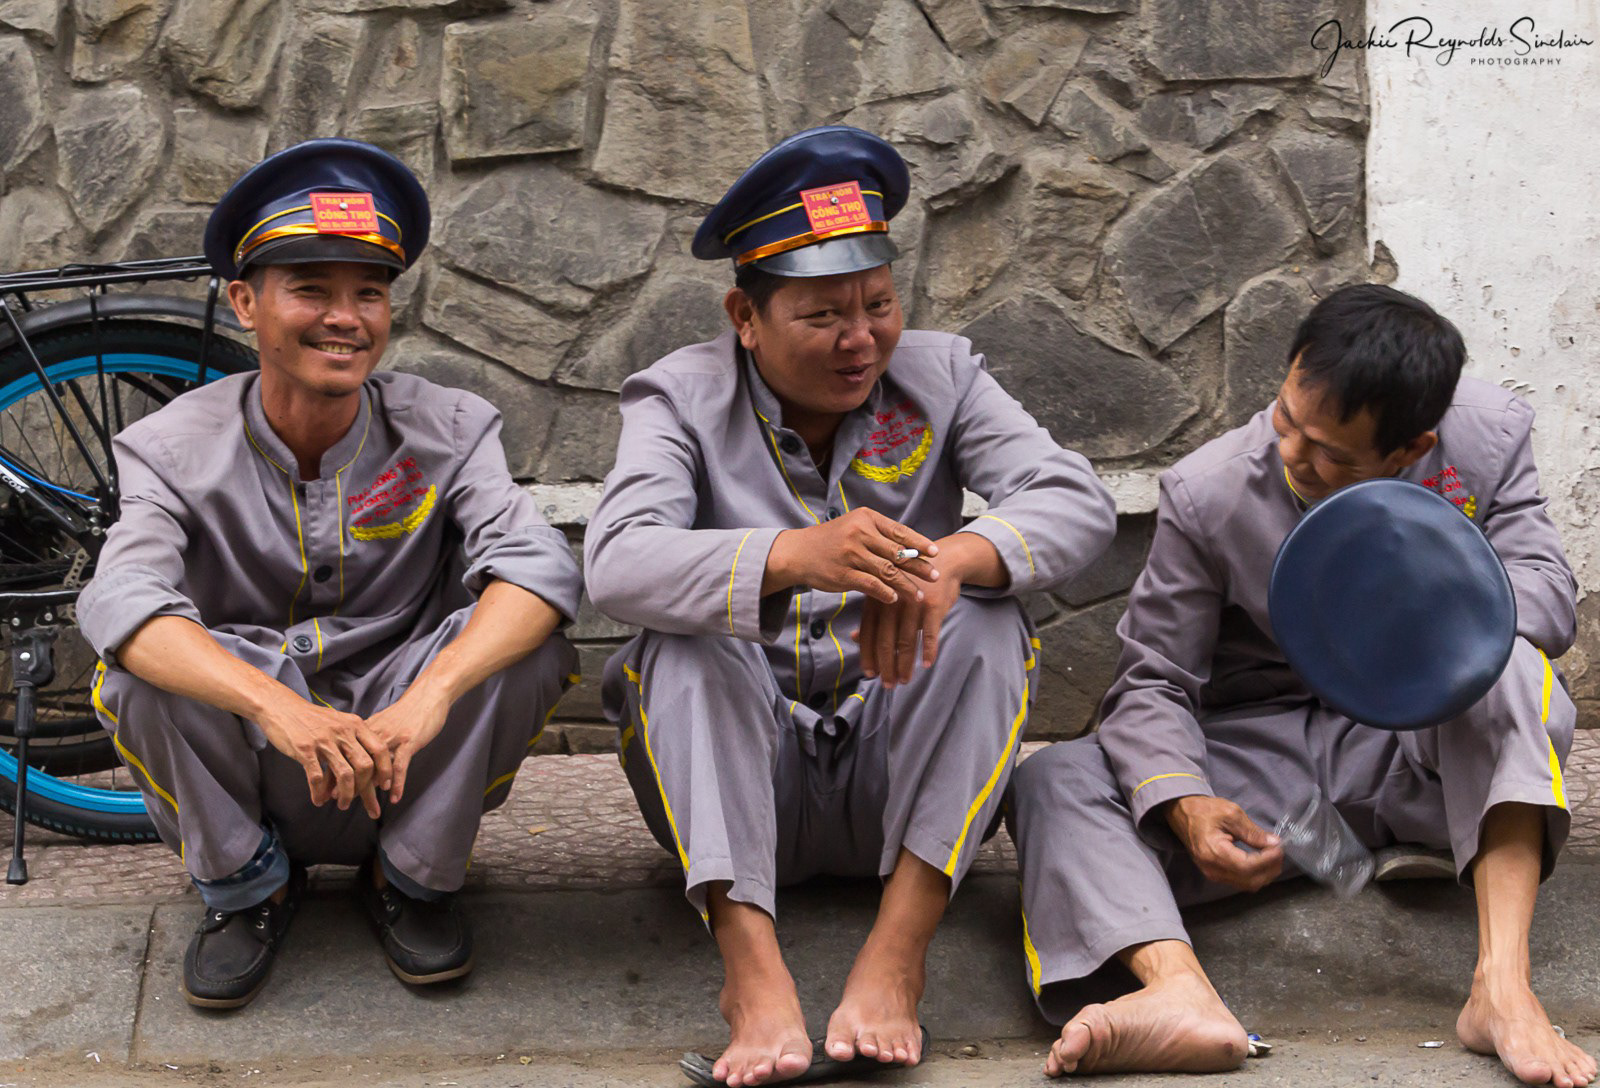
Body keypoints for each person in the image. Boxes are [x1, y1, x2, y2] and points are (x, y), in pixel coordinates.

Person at [583, 125, 1117, 1087]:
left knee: (990, 616)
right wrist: (791, 556)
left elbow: (1074, 501)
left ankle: (897, 956)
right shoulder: (678, 398)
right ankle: (752, 976)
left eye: (878, 304)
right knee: (685, 643)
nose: (862, 338)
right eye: (824, 314)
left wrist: (952, 560)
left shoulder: (945, 376)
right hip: (744, 792)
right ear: (745, 317)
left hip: (893, 780)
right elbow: (617, 561)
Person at [1007, 284, 1596, 1088]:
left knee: (1515, 667)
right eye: (1286, 418)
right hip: (1277, 785)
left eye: (1331, 454)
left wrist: (1430, 602)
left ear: (1410, 449)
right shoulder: (1209, 491)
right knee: (1055, 778)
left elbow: (1548, 593)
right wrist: (1188, 804)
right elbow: (1152, 682)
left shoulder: (1486, 439)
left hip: (1419, 754)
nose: (1292, 453)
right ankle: (1180, 995)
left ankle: (1501, 989)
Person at [77, 138, 581, 1009]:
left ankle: (411, 878)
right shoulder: (168, 447)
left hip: (404, 749)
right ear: (246, 302)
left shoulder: (453, 429)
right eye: (311, 290)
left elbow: (538, 569)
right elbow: (123, 597)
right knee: (134, 674)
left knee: (528, 648)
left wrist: (433, 694)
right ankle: (249, 887)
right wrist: (276, 706)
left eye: (369, 293)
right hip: (257, 756)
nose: (345, 318)